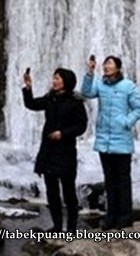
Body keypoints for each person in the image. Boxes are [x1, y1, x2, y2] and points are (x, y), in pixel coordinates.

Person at [81, 55, 140, 229]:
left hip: (122, 142)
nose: (106, 66)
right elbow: (86, 92)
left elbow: (138, 109)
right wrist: (90, 72)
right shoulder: (100, 85)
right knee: (109, 181)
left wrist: (125, 122)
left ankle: (124, 218)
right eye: (105, 64)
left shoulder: (128, 86)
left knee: (123, 181)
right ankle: (111, 217)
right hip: (104, 142)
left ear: (118, 67)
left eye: (109, 63)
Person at [22, 67, 87, 233]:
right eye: (54, 78)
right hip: (48, 150)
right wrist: (28, 88)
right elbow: (31, 104)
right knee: (51, 192)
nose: (54, 81)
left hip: (65, 151)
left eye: (57, 78)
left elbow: (81, 126)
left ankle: (71, 229)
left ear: (66, 81)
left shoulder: (76, 101)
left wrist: (63, 133)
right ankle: (57, 226)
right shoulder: (50, 98)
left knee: (69, 193)